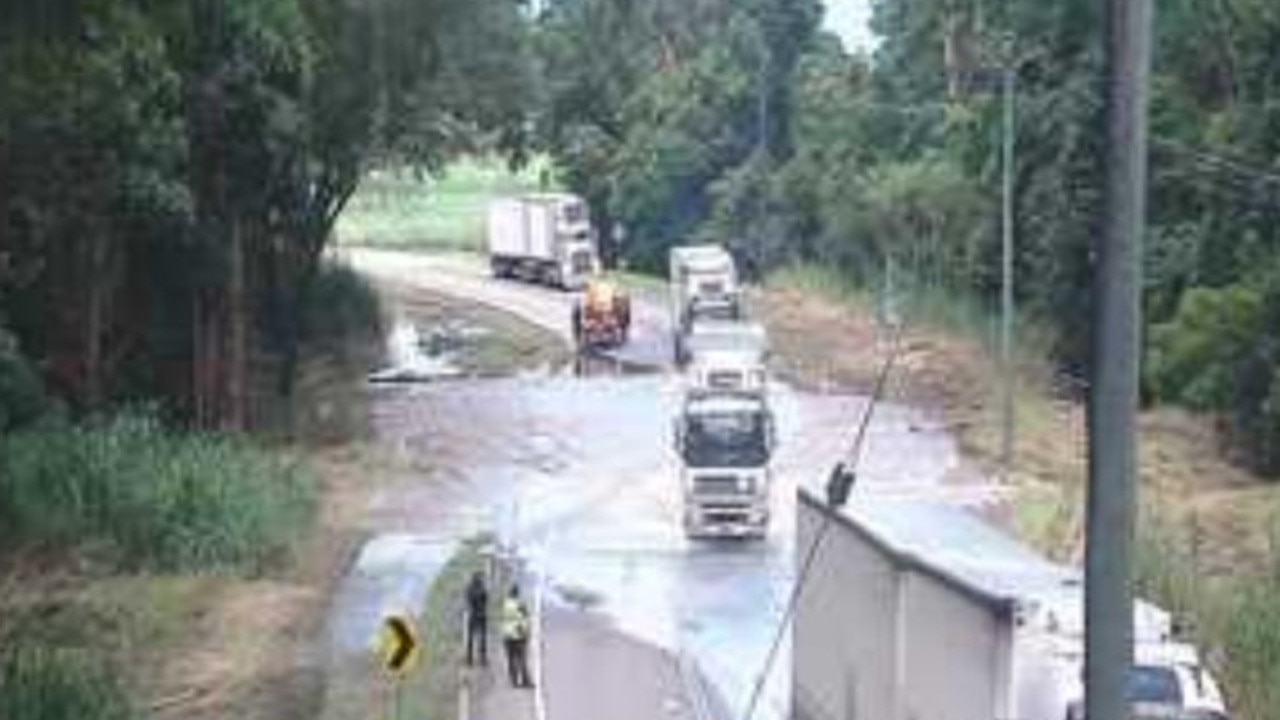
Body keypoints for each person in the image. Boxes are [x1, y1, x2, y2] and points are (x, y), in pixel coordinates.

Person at [501, 584, 532, 688]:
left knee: (511, 659)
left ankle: (514, 681)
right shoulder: (520, 604)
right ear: (517, 593)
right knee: (521, 658)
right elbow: (526, 618)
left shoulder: (505, 604)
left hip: (507, 634)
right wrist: (527, 632)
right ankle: (525, 680)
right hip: (518, 633)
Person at [464, 571, 488, 666]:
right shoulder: (482, 589)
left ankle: (469, 659)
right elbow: (486, 599)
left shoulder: (469, 589)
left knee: (470, 638)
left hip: (472, 614)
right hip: (482, 615)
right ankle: (482, 659)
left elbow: (467, 600)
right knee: (482, 638)